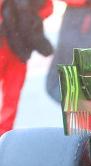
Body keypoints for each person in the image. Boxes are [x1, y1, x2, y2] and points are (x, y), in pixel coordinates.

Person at [0, 0, 54, 136]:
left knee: (11, 99)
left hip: (17, 49)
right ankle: (3, 136)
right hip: (15, 47)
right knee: (11, 101)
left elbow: (45, 11)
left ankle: (3, 136)